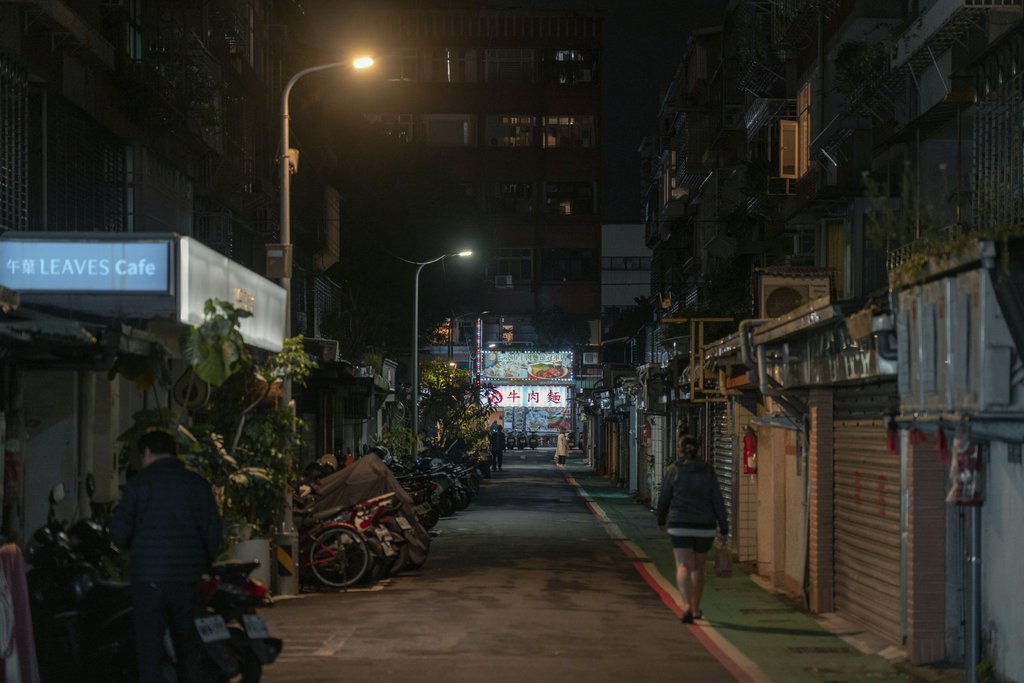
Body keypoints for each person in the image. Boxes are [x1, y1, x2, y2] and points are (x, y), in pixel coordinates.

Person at [110, 430, 223, 682]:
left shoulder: (139, 485)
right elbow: (213, 535)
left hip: (148, 581)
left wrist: (136, 547)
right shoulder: (198, 485)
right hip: (187, 580)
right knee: (188, 647)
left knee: (149, 650)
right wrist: (204, 563)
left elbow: (119, 534)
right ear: (175, 453)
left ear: (147, 453)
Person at [656, 434, 728, 624]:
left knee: (683, 566)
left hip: (679, 524)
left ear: (680, 450)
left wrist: (661, 519)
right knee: (698, 568)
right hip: (705, 526)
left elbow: (664, 496)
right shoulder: (708, 471)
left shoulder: (674, 470)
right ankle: (696, 609)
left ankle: (686, 605)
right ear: (699, 449)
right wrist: (724, 527)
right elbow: (717, 500)